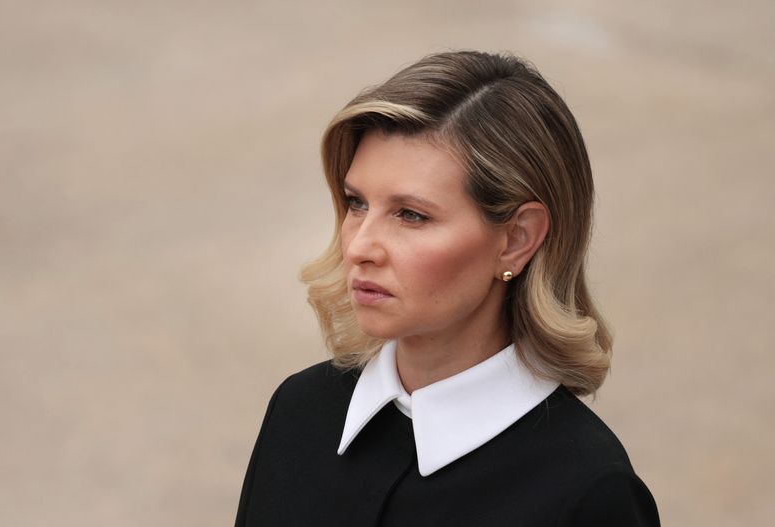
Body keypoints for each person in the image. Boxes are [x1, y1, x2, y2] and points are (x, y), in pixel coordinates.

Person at [234, 50, 660, 526]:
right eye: (357, 203)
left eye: (411, 215)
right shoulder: (299, 412)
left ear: (517, 239)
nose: (359, 246)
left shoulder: (588, 492)